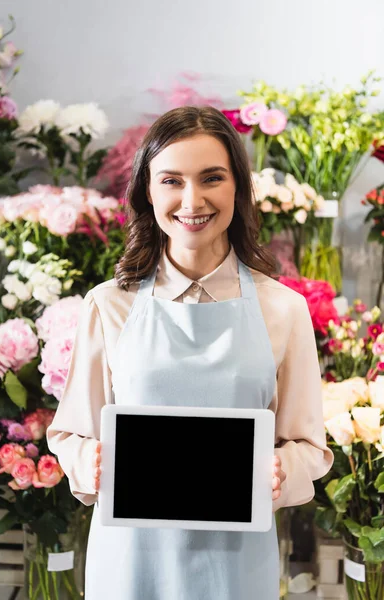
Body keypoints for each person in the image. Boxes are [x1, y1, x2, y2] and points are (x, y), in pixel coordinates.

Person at [47, 105, 334, 600]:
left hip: (236, 566)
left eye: (211, 178)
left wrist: (284, 471)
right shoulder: (108, 305)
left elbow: (310, 446)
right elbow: (70, 431)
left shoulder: (284, 310)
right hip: (130, 562)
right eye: (172, 180)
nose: (192, 199)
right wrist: (86, 460)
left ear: (238, 189)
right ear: (147, 191)